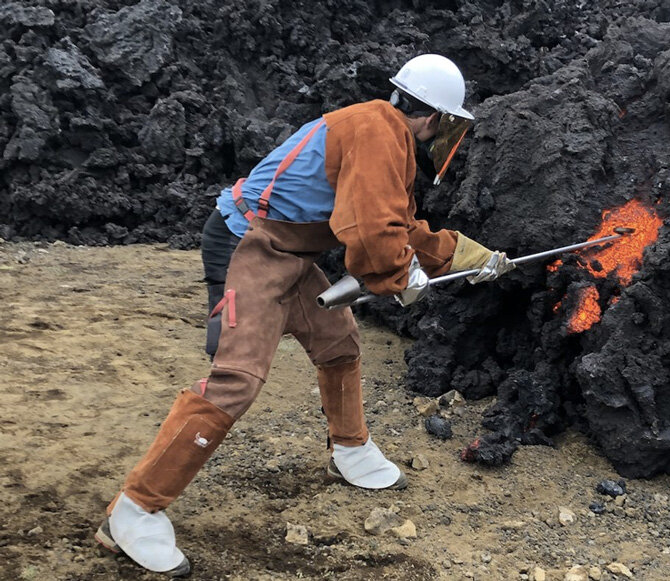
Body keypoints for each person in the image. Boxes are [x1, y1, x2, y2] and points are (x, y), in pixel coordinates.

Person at [94, 54, 514, 576]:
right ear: (435, 118)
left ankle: (350, 450)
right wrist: (399, 274)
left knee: (338, 341)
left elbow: (398, 226)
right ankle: (134, 510)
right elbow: (373, 235)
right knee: (237, 379)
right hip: (249, 243)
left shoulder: (379, 127)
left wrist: (466, 256)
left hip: (287, 251)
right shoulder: (378, 133)